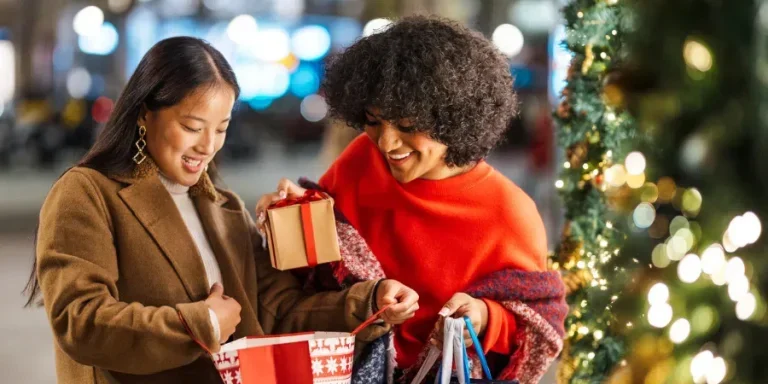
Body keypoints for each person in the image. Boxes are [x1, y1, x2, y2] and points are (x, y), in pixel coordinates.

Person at [23, 37, 419, 384]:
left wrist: (369, 301)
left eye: (222, 127)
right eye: (193, 127)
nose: (208, 146)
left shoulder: (221, 205)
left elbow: (278, 310)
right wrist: (202, 323)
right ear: (145, 113)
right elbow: (81, 322)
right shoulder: (88, 193)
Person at [256, 16, 567, 383]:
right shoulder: (360, 161)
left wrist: (483, 317)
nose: (386, 144)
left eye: (406, 126)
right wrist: (292, 214)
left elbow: (538, 324)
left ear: (453, 118)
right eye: (373, 121)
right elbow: (315, 271)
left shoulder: (509, 213)